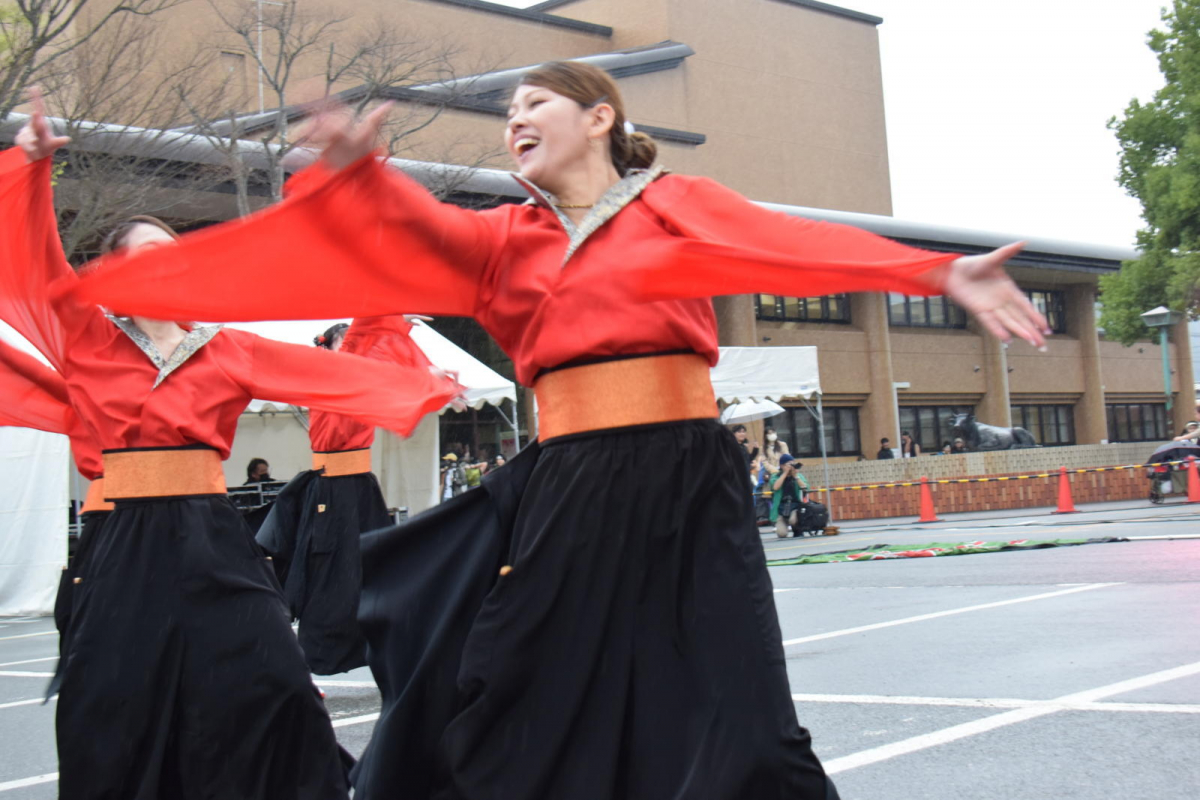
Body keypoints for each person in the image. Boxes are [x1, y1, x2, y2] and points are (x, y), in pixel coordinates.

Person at [67, 61, 1049, 800]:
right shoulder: (508, 241)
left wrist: (935, 273)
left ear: (598, 116)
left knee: (741, 700)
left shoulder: (671, 208)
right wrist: (359, 175)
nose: (515, 122)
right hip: (569, 489)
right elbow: (424, 236)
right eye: (506, 116)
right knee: (525, 694)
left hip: (685, 481)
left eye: (532, 104)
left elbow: (789, 244)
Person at [1, 97, 461, 800]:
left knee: (273, 677)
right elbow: (31, 266)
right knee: (111, 697)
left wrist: (421, 384)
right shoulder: (86, 337)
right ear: (116, 269)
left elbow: (327, 374)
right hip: (121, 540)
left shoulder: (224, 348)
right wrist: (31, 167)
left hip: (211, 539)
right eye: (150, 252)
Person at [256, 315, 435, 676]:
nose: (361, 356)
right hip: (332, 488)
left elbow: (373, 357)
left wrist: (396, 328)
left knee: (375, 564)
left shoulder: (355, 380)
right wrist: (388, 317)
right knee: (330, 569)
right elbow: (360, 344)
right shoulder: (327, 374)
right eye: (349, 346)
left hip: (358, 487)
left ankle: (378, 640)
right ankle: (324, 649)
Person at [770, 454, 809, 539]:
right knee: (782, 534)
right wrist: (784, 474)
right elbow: (775, 487)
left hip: (795, 506)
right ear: (782, 465)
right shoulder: (775, 476)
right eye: (789, 464)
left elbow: (805, 487)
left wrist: (796, 477)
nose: (791, 466)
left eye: (793, 463)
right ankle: (784, 525)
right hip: (781, 508)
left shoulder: (797, 476)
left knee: (793, 520)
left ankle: (797, 529)